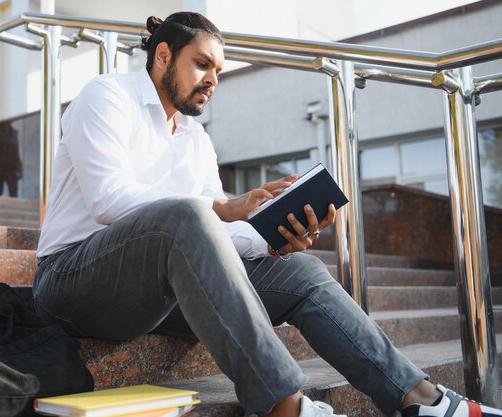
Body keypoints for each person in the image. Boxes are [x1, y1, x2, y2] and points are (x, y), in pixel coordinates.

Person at [32, 12, 502, 417]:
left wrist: (270, 235)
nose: (213, 78)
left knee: (300, 272)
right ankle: (284, 405)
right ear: (161, 57)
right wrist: (220, 208)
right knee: (186, 216)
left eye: (218, 69)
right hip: (73, 283)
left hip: (160, 293)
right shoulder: (106, 97)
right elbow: (110, 200)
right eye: (201, 63)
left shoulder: (195, 140)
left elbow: (209, 237)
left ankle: (422, 401)